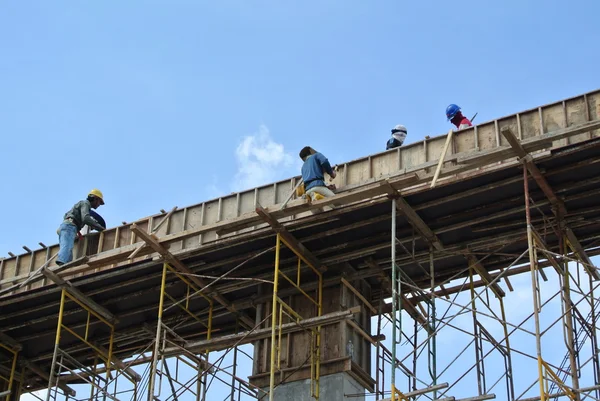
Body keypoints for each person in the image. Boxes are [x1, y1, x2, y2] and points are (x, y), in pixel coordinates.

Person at [56, 189, 106, 265]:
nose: (99, 205)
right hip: (70, 227)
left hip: (68, 227)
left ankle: (66, 266)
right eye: (99, 202)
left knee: (69, 251)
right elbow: (86, 218)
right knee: (67, 246)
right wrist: (99, 227)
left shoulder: (84, 207)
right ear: (95, 198)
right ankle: (62, 262)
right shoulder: (85, 203)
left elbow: (66, 215)